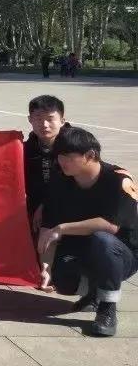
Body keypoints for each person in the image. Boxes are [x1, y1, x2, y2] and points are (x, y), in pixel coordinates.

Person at [37, 127, 138, 337]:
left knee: (103, 241)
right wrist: (45, 267)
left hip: (123, 253)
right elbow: (49, 226)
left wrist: (62, 228)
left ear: (90, 155)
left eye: (68, 156)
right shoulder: (61, 180)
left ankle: (107, 308)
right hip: (82, 248)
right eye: (59, 156)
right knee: (62, 280)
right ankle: (93, 293)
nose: (62, 161)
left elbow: (110, 225)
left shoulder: (118, 180)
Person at [24, 95, 69, 228]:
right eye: (38, 118)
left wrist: (46, 205)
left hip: (70, 206)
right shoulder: (25, 150)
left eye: (50, 119)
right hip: (34, 209)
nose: (44, 125)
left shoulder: (77, 147)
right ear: (30, 120)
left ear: (62, 121)